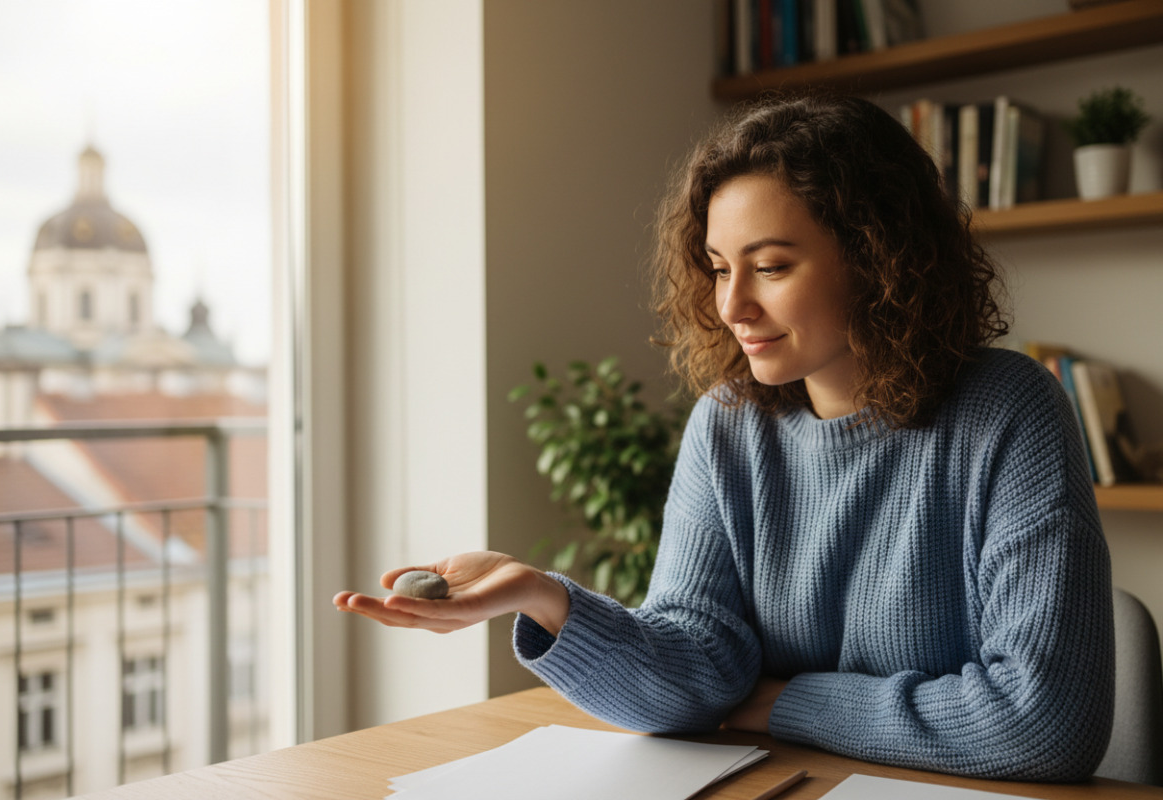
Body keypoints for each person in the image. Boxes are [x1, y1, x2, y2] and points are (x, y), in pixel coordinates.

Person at [333, 93, 1114, 782]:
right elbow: (698, 676)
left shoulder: (1011, 411)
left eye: (770, 266)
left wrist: (787, 704)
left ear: (879, 261)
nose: (732, 306)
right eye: (715, 267)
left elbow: (1043, 725)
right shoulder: (730, 423)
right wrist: (545, 598)